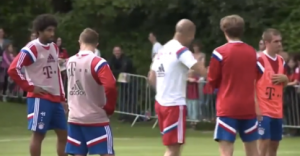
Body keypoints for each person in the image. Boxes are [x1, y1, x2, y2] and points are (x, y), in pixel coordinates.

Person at [7, 14, 67, 156]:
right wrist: (30, 87)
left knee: (64, 134)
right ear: (39, 31)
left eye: (53, 30)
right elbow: (13, 69)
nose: (52, 34)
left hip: (55, 99)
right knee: (39, 134)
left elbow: (56, 73)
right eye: (49, 30)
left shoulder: (54, 47)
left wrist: (62, 98)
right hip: (40, 98)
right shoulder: (31, 48)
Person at [148, 19, 206, 156]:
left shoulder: (162, 50)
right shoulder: (181, 51)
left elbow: (151, 77)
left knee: (172, 146)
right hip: (174, 104)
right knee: (173, 149)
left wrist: (163, 90)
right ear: (190, 33)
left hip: (161, 102)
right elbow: (202, 71)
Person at [208, 15, 260, 156]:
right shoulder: (252, 52)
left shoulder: (219, 53)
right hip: (248, 107)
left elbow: (212, 79)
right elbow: (259, 74)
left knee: (226, 151)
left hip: (227, 106)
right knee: (253, 150)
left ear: (224, 30)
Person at [65, 28, 117, 156]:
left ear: (80, 41)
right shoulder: (98, 62)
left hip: (75, 117)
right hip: (95, 117)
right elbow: (110, 86)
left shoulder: (69, 61)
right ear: (96, 44)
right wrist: (109, 108)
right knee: (106, 152)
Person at [256, 29, 288, 156]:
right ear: (267, 43)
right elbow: (252, 84)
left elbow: (282, 85)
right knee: (263, 143)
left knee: (274, 145)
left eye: (280, 41)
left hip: (277, 110)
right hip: (263, 109)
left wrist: (285, 80)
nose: (279, 44)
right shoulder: (259, 60)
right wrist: (256, 107)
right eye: (276, 41)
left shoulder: (281, 61)